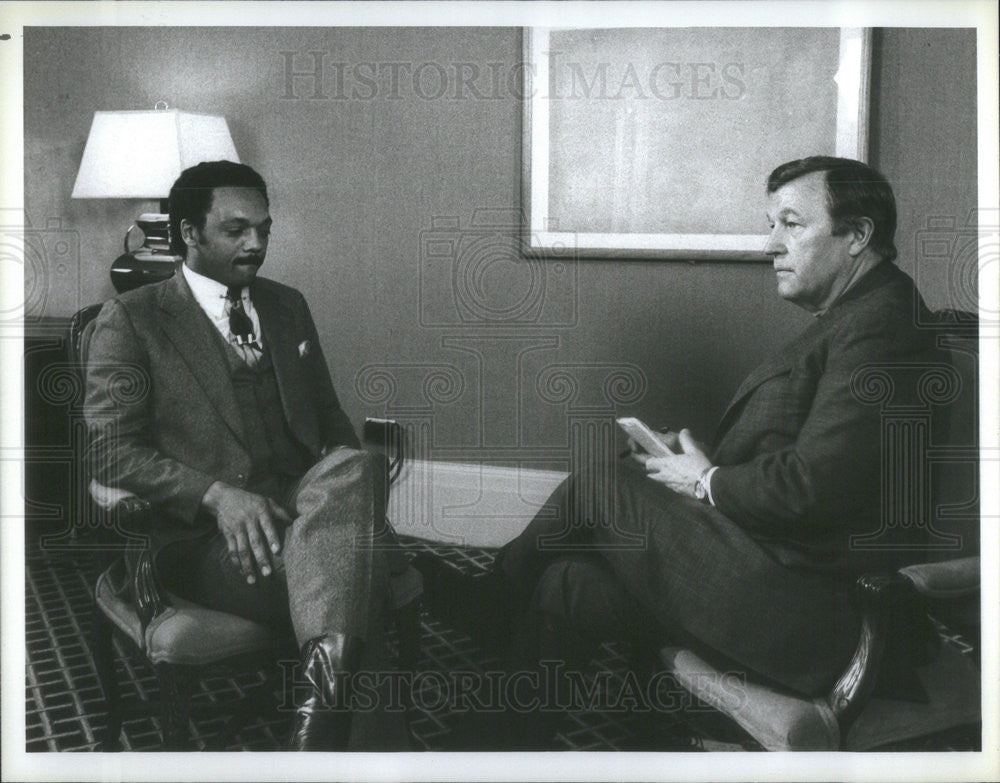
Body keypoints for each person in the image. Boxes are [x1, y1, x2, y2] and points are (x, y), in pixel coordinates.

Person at [416, 156, 939, 744]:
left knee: (605, 485)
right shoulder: (856, 315)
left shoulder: (881, 328)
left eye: (792, 224)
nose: (771, 244)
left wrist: (705, 480)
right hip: (773, 565)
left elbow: (816, 488)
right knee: (572, 580)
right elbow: (816, 459)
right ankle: (486, 756)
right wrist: (699, 459)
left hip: (817, 611)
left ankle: (489, 601)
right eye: (771, 224)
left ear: (859, 236)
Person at [84, 160, 406, 751]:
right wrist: (215, 495)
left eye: (264, 228)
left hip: (302, 514)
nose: (256, 244)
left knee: (355, 467)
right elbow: (107, 450)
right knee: (362, 583)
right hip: (200, 541)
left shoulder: (287, 305)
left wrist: (334, 497)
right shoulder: (131, 319)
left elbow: (330, 421)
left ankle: (319, 730)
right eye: (236, 229)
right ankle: (344, 743)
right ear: (189, 233)